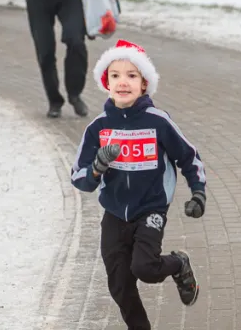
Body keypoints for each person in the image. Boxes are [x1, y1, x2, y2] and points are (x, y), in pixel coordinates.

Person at [71, 39, 208, 330]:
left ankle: (178, 263)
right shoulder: (97, 127)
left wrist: (198, 193)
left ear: (144, 84)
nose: (123, 82)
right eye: (115, 75)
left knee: (144, 268)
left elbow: (188, 156)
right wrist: (97, 168)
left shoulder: (158, 121)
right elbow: (79, 178)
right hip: (114, 214)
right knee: (119, 284)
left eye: (132, 76)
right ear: (105, 82)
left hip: (150, 210)